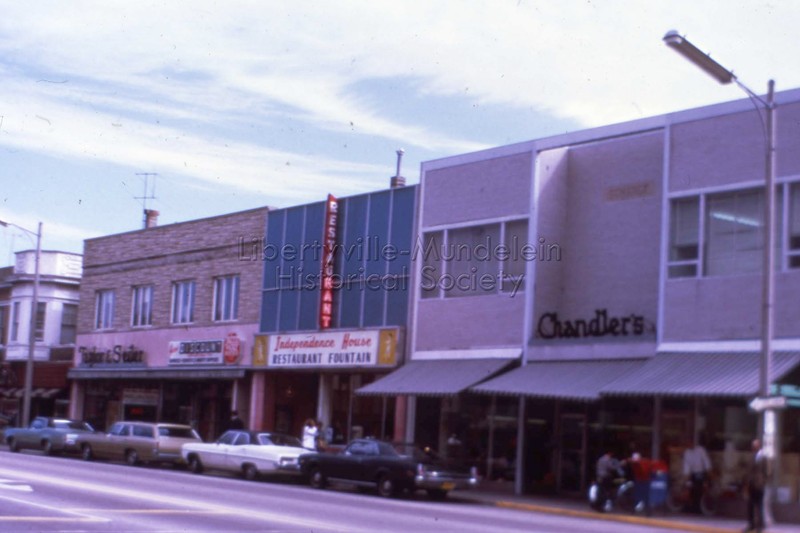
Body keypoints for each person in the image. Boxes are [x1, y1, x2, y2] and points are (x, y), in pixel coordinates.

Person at [743, 438, 770, 533]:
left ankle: (760, 525)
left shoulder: (763, 457)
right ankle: (751, 524)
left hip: (759, 484)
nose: (753, 447)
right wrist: (747, 482)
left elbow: (766, 471)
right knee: (750, 505)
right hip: (751, 483)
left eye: (755, 446)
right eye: (753, 446)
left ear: (758, 446)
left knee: (759, 505)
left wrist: (763, 482)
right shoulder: (751, 457)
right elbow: (748, 470)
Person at [682, 438, 711, 513]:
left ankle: (699, 507)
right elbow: (686, 465)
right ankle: (689, 507)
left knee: (699, 489)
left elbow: (706, 460)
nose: (688, 445)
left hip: (701, 472)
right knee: (689, 488)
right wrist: (686, 475)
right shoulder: (687, 452)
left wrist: (708, 470)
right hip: (692, 473)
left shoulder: (700, 450)